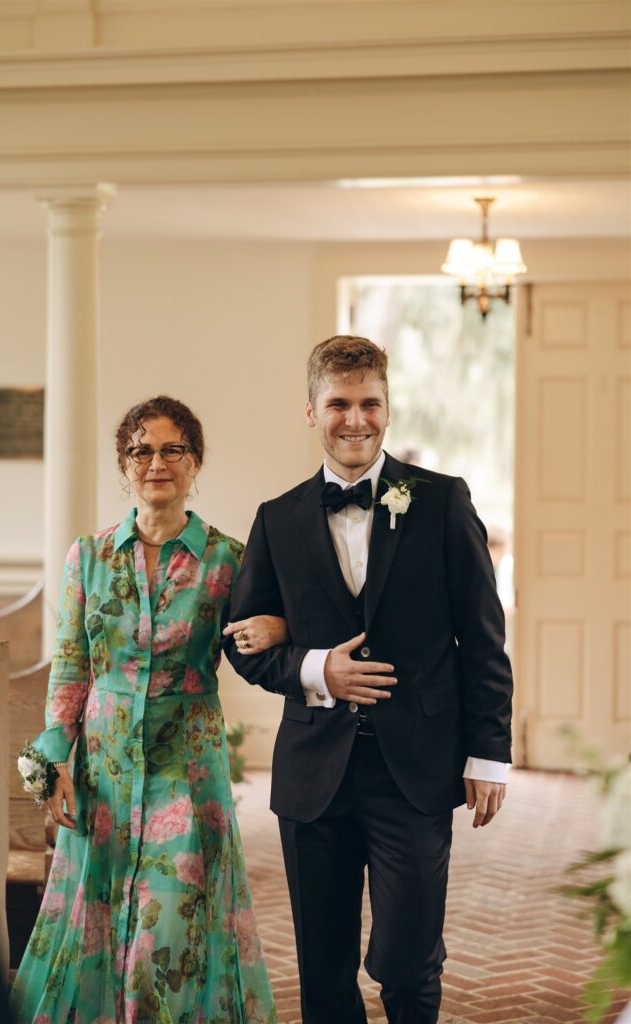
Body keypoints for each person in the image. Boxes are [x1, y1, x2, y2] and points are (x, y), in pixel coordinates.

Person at [223, 336, 513, 1024]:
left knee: (409, 961)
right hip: (311, 773)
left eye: (368, 403)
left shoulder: (438, 500)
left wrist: (488, 753)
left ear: (387, 407)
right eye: (338, 404)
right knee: (322, 970)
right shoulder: (279, 517)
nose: (355, 419)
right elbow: (241, 644)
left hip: (412, 768)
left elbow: (482, 637)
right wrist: (315, 667)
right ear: (310, 410)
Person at [12, 395, 283, 1024]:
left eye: (172, 449)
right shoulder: (89, 556)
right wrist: (55, 755)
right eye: (141, 449)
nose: (155, 461)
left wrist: (277, 627)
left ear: (195, 464)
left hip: (186, 767)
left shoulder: (228, 559)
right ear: (123, 464)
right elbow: (73, 663)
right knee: (99, 922)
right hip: (104, 769)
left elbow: (254, 642)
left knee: (168, 924)